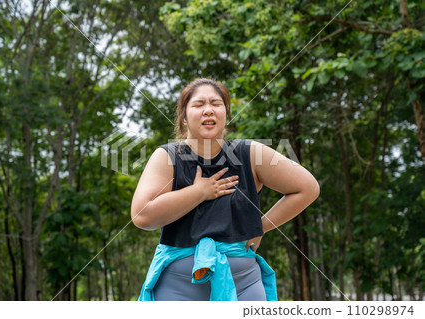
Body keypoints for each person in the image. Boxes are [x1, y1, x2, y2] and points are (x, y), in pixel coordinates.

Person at [131, 78, 320, 301]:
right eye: (199, 104)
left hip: (244, 286)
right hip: (178, 289)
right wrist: (200, 192)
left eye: (216, 103)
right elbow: (142, 215)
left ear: (227, 114)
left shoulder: (250, 153)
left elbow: (307, 188)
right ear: (183, 116)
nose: (208, 110)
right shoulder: (167, 157)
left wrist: (260, 227)